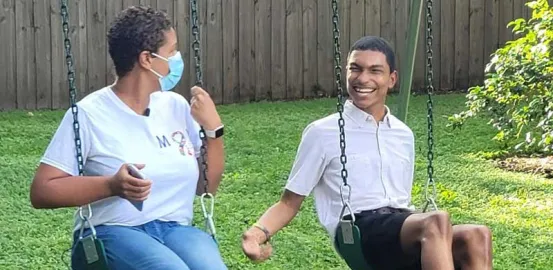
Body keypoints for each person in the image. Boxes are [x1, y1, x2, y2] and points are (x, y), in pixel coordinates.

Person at [241, 36, 493, 270]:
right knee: (436, 221)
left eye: (375, 71)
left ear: (392, 79)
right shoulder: (323, 132)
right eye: (355, 68)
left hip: (400, 225)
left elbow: (400, 202)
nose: (363, 78)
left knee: (477, 234)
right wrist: (256, 233)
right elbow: (289, 202)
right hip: (358, 230)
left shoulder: (403, 134)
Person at [30, 6, 227, 270]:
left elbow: (205, 189)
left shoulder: (176, 106)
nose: (177, 59)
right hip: (112, 231)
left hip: (174, 230)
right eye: (172, 51)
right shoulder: (90, 114)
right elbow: (42, 191)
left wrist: (214, 131)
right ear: (147, 59)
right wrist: (112, 186)